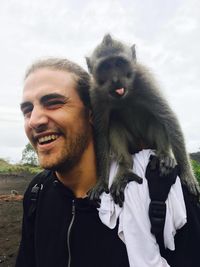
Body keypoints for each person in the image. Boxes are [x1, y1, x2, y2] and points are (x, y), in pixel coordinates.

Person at [16, 58, 200, 267]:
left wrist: (183, 170)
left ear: (92, 113)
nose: (35, 120)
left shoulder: (161, 188)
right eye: (27, 110)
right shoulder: (37, 193)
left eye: (54, 103)